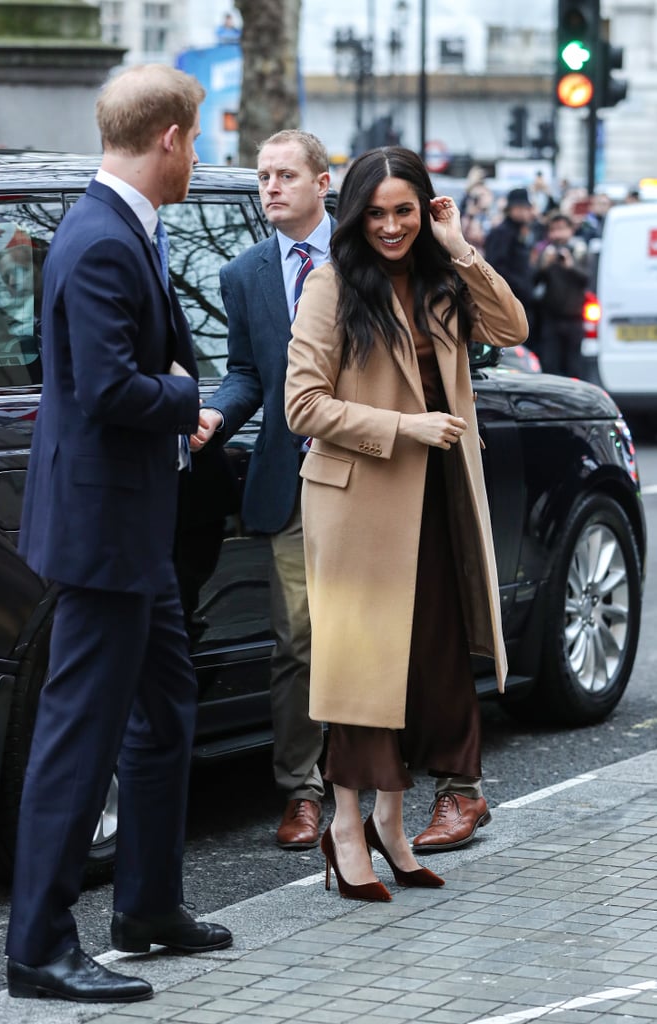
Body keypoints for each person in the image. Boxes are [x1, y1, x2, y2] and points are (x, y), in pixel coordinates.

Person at [5, 64, 232, 1005]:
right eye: (198, 138)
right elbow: (107, 389)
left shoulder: (118, 226)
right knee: (78, 735)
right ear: (171, 138)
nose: (200, 154)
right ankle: (37, 950)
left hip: (132, 531)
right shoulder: (101, 239)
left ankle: (146, 906)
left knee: (165, 708)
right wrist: (188, 401)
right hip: (105, 536)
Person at [284, 146, 528, 900]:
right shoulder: (329, 285)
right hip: (360, 507)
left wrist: (460, 249)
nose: (390, 226)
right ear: (354, 214)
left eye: (405, 211)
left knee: (425, 667)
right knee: (363, 673)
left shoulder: (441, 277)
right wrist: (404, 427)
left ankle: (389, 828)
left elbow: (511, 327)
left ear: (425, 210)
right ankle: (346, 830)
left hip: (437, 503)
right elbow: (303, 404)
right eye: (377, 212)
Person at [196, 129, 331, 851]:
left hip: (373, 477)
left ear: (321, 182)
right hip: (292, 480)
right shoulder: (243, 274)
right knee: (298, 639)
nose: (271, 187)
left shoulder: (368, 255)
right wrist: (218, 410)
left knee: (379, 629)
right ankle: (300, 791)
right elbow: (249, 371)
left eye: (285, 175)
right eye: (263, 176)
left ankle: (378, 774)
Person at [531, 212, 588, 377]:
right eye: (553, 229)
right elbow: (532, 282)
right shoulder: (546, 252)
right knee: (549, 365)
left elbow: (587, 279)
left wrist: (571, 266)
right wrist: (544, 266)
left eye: (562, 229)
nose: (558, 234)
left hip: (574, 319)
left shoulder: (580, 251)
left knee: (574, 367)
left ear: (571, 230)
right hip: (550, 319)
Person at [484, 187, 536, 334]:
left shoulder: (521, 232)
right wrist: (519, 287)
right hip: (510, 301)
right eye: (520, 208)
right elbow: (495, 268)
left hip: (522, 301)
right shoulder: (502, 233)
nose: (524, 212)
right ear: (510, 210)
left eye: (526, 208)